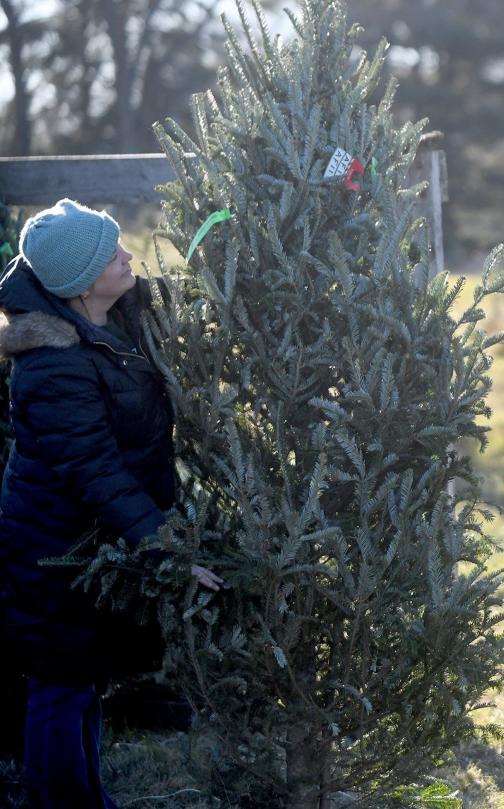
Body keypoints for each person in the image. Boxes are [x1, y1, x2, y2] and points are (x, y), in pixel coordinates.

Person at [0, 199, 222, 809]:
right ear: (80, 282)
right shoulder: (53, 368)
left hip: (91, 543)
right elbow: (94, 473)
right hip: (56, 549)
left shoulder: (115, 316)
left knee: (81, 680)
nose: (128, 255)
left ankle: (84, 798)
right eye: (113, 252)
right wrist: (166, 545)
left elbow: (182, 296)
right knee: (61, 685)